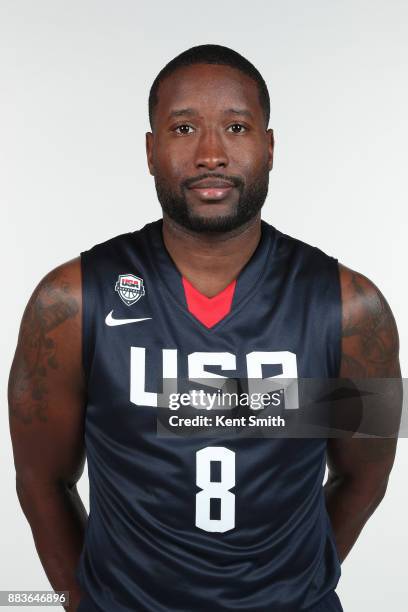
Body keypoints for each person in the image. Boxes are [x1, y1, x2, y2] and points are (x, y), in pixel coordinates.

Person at [8, 44, 401, 612]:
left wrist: (291, 589)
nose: (211, 153)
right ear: (149, 150)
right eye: (184, 127)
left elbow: (364, 476)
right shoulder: (72, 300)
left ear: (269, 146)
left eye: (237, 127)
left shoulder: (349, 308)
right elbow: (41, 480)